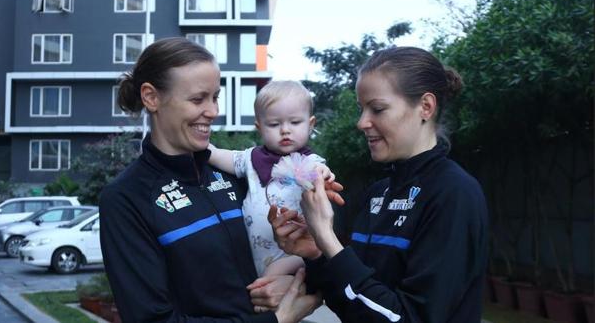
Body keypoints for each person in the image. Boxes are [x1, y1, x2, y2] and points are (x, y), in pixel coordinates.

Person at [99, 37, 320, 323]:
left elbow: (297, 263)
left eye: (215, 97)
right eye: (197, 99)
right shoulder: (125, 199)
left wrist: (295, 279)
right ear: (151, 97)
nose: (213, 111)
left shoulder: (233, 175)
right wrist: (274, 321)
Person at [269, 46, 489, 323]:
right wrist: (316, 252)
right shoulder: (378, 194)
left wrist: (327, 237)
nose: (362, 122)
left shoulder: (454, 193)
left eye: (378, 109)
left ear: (426, 106)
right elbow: (354, 303)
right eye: (362, 109)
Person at [208, 81, 342, 312]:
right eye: (274, 124)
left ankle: (265, 309)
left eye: (295, 122)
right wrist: (203, 148)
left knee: (268, 281)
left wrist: (324, 175)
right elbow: (223, 157)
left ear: (310, 125)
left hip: (293, 251)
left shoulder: (311, 162)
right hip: (255, 251)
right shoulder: (250, 159)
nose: (285, 130)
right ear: (259, 128)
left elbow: (322, 173)